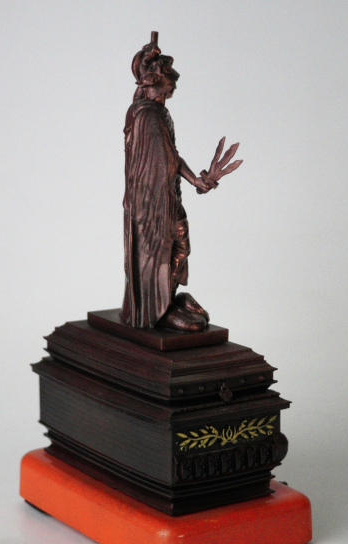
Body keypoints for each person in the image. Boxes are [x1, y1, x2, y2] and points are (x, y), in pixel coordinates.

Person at [120, 33, 242, 332]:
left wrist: (195, 181)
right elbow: (162, 160)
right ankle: (157, 310)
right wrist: (191, 181)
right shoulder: (147, 115)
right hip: (151, 203)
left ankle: (169, 298)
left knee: (181, 248)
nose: (172, 89)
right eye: (169, 85)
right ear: (157, 84)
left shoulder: (159, 112)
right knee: (162, 249)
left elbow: (171, 155)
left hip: (168, 196)